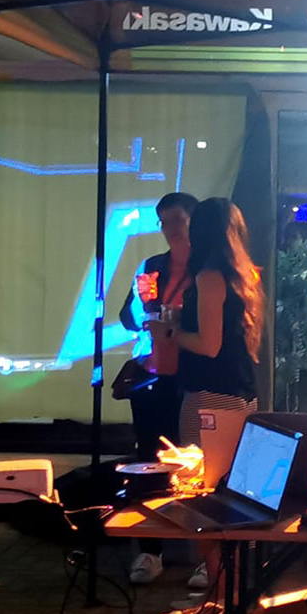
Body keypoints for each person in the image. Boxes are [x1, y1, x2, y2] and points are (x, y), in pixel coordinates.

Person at [149, 195, 264, 590]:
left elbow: (209, 345)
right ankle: (230, 589)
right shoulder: (242, 274)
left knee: (201, 494)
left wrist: (169, 332)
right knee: (232, 493)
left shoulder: (208, 276)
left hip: (209, 395)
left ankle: (216, 589)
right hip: (240, 392)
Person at [120, 192, 197, 585]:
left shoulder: (207, 269)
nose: (169, 229)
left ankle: (204, 554)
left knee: (198, 462)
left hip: (194, 376)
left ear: (194, 221)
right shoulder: (152, 266)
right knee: (149, 460)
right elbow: (128, 317)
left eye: (177, 220)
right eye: (164, 221)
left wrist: (178, 318)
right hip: (153, 374)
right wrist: (143, 307)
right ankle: (151, 551)